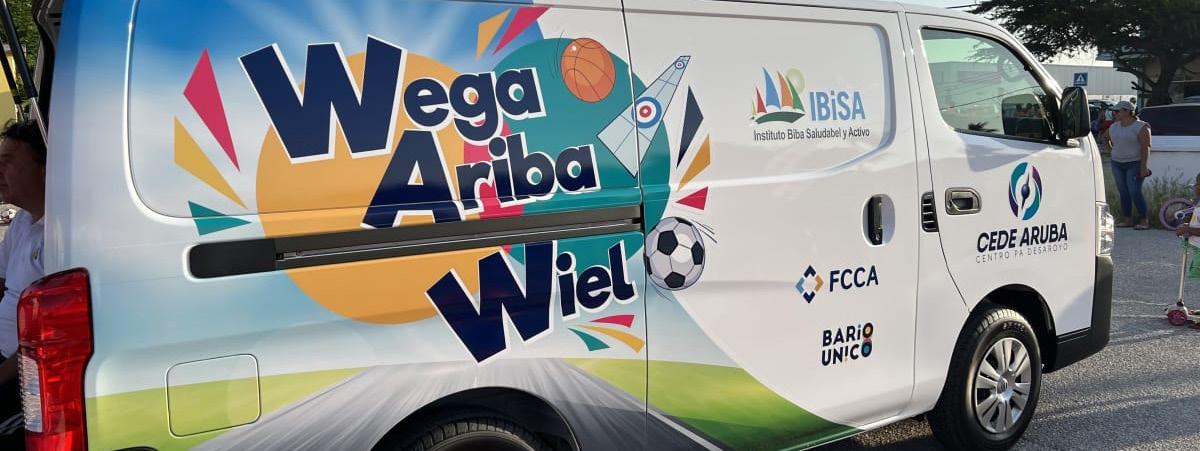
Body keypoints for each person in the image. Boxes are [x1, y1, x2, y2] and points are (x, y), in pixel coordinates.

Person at [0, 120, 46, 448]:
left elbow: (44, 341)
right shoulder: (22, 222)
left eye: (8, 162)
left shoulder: (61, 237)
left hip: (18, 372)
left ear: (43, 169)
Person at [1103, 100, 1152, 229]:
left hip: (1134, 163)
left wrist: (1143, 166)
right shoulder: (1114, 126)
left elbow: (1145, 147)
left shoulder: (1141, 127)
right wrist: (1110, 151)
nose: (1114, 114)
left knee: (1134, 191)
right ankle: (1127, 219)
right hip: (1117, 163)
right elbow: (1104, 137)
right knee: (1123, 192)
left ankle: (1144, 220)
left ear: (1127, 111)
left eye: (1117, 111)